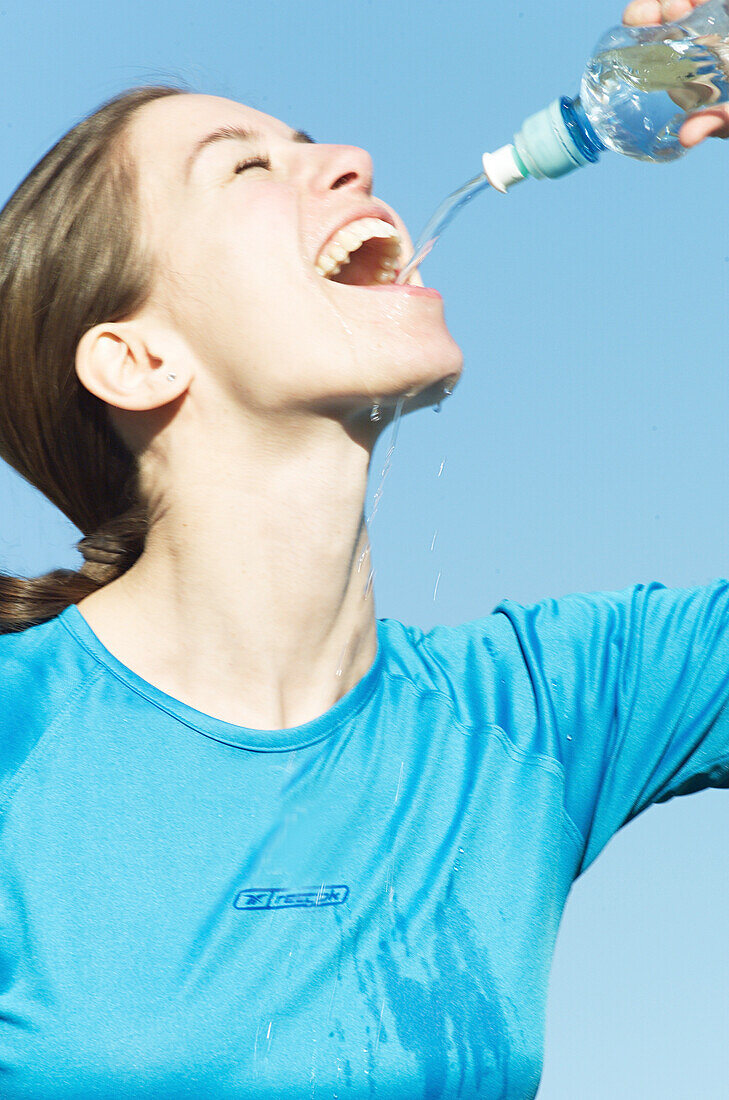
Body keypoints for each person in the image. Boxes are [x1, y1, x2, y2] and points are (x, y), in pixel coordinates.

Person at [0, 0, 727, 1095]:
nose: (353, 159)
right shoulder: (21, 739)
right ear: (137, 359)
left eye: (311, 143)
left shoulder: (542, 708)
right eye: (244, 168)